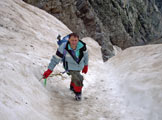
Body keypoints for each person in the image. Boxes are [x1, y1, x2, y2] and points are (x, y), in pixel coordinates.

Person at [43, 33, 89, 101]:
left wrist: (86, 65)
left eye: (76, 40)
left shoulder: (82, 46)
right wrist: (49, 70)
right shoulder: (63, 47)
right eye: (72, 40)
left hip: (79, 66)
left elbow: (86, 56)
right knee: (79, 78)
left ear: (78, 40)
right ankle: (78, 93)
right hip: (69, 66)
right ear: (69, 40)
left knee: (76, 75)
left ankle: (72, 86)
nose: (74, 42)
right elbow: (55, 59)